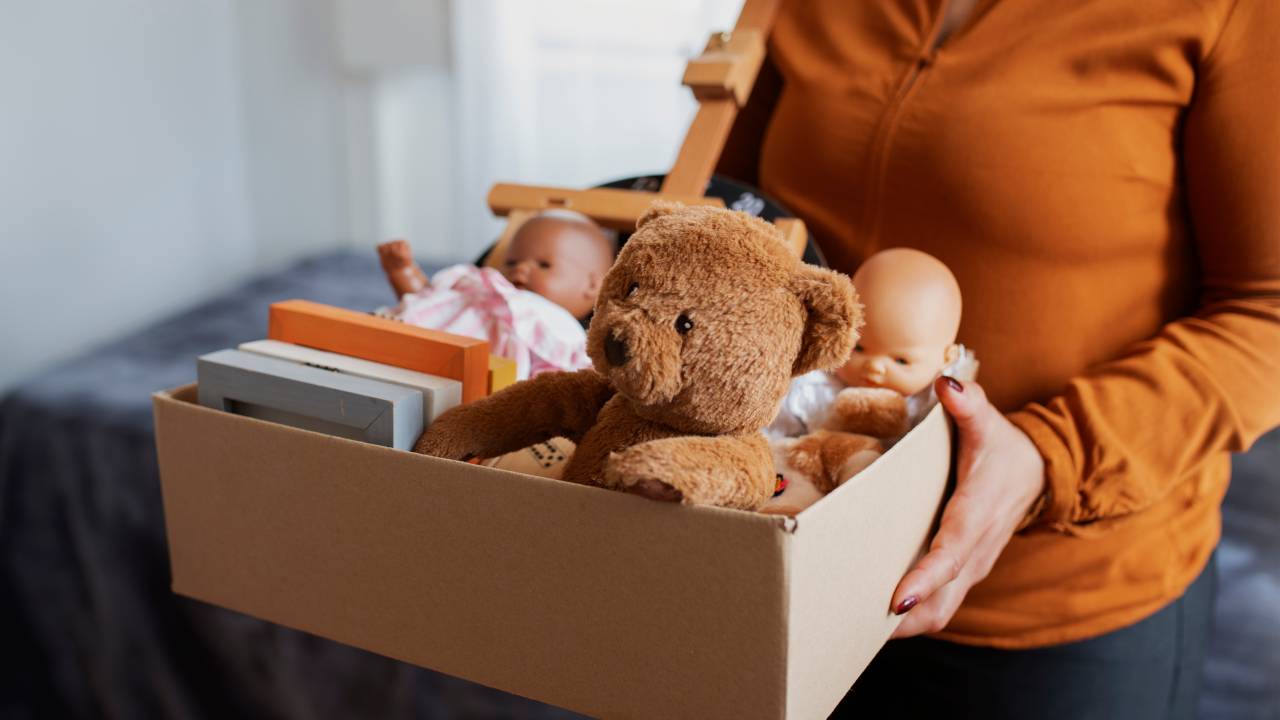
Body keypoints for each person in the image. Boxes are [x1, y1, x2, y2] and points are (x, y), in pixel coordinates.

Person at [718, 0, 1280, 716]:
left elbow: (1268, 309)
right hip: (789, 572)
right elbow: (732, 215)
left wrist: (1052, 455)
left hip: (1053, 607)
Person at [377, 210, 616, 380]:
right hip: (404, 342)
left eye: (543, 265)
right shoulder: (480, 287)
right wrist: (404, 272)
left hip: (469, 379)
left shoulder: (561, 328)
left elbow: (564, 386)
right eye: (512, 261)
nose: (520, 268)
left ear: (593, 285)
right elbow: (428, 302)